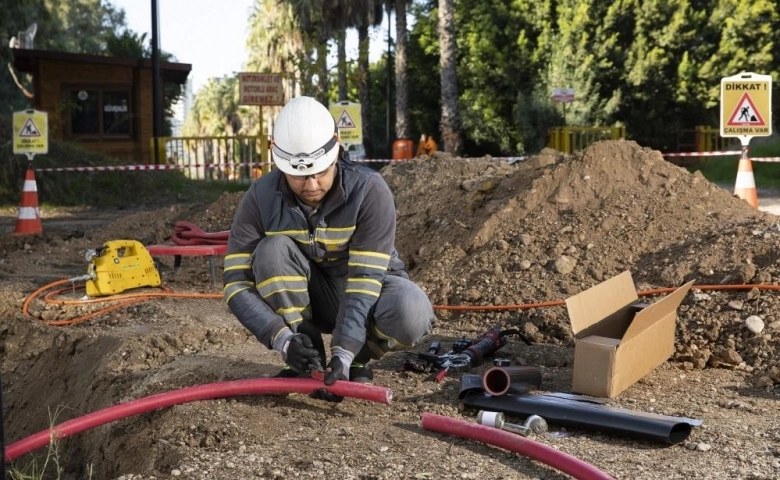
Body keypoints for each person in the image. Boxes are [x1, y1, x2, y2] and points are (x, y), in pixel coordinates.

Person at [223, 96, 434, 393]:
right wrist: (282, 339)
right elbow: (235, 282)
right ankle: (306, 357)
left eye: (321, 171)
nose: (311, 185)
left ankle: (359, 359)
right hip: (312, 298)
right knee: (271, 251)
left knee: (412, 312)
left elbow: (364, 279)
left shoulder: (368, 190)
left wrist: (345, 351)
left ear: (337, 150)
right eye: (298, 175)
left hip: (367, 293)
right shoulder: (260, 197)